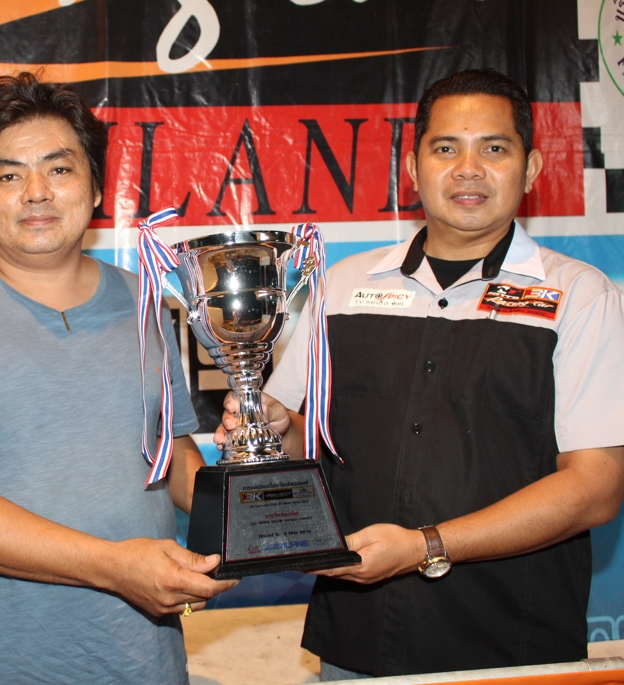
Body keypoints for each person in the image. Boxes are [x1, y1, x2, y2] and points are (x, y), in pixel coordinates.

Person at [216, 68, 624, 678]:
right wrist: (272, 426)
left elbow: (596, 487)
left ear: (532, 168)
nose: (468, 169)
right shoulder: (341, 288)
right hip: (357, 639)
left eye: (494, 148)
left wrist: (425, 546)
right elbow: (305, 439)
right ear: (412, 169)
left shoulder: (579, 296)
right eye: (446, 148)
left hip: (511, 647)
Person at [0, 72, 236, 684]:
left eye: (59, 169)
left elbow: (170, 459)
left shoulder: (145, 302)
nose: (36, 193)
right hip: (5, 667)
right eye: (9, 176)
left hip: (148, 663)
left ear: (96, 188)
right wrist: (113, 567)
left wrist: (253, 519)